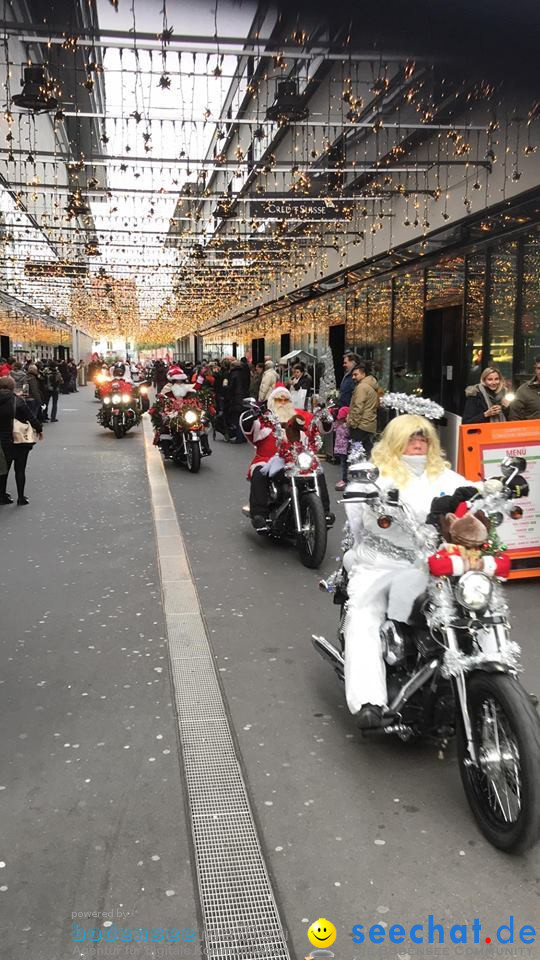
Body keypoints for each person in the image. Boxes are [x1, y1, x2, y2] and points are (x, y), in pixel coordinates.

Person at [343, 413, 468, 729]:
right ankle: (369, 699)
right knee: (364, 613)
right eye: (411, 436)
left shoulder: (446, 477)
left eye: (424, 437)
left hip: (434, 564)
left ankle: (496, 678)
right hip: (381, 564)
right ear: (396, 440)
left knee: (476, 607)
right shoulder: (378, 476)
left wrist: (494, 491)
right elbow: (357, 522)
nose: (418, 443)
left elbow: (474, 496)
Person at [241, 384, 332, 529]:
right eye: (278, 400)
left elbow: (318, 427)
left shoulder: (301, 416)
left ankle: (324, 512)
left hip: (298, 458)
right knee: (259, 473)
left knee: (317, 472)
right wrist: (251, 416)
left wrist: (325, 417)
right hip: (268, 459)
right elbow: (249, 429)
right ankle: (259, 514)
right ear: (272, 401)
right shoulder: (265, 418)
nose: (283, 403)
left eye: (286, 400)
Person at [0, 375, 43, 505]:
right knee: (20, 469)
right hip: (19, 440)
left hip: (2, 441)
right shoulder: (17, 401)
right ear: (12, 387)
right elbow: (31, 417)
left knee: (3, 469)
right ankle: (21, 497)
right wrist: (39, 429)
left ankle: (2, 496)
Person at [346, 362, 379, 457]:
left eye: (356, 374)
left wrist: (352, 423)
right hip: (368, 424)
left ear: (363, 374)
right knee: (366, 452)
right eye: (352, 375)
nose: (353, 377)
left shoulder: (362, 387)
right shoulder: (371, 386)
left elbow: (358, 407)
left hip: (360, 425)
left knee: (354, 454)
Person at [509, 357, 540, 421]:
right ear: (535, 370)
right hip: (532, 430)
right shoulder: (524, 391)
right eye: (539, 368)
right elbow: (514, 418)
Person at [333, 406, 350, 492]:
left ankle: (345, 479)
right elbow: (348, 434)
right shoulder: (345, 426)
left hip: (339, 449)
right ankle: (345, 480)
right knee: (345, 465)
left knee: (344, 465)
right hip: (344, 449)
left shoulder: (337, 425)